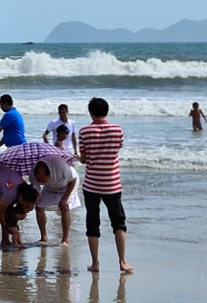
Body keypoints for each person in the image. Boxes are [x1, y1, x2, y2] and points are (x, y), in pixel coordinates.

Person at [78, 97, 133, 272]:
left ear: (91, 112)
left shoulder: (84, 132)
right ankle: (122, 262)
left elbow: (85, 160)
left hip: (92, 184)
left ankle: (95, 263)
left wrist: (84, 157)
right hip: (112, 184)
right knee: (119, 223)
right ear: (106, 111)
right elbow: (116, 149)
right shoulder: (117, 130)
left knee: (92, 224)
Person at [0, 163, 39, 248]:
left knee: (7, 210)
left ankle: (5, 240)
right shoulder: (11, 193)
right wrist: (6, 226)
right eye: (24, 203)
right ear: (20, 197)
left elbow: (25, 206)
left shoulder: (25, 188)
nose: (24, 205)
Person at [31, 155, 80, 246]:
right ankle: (43, 237)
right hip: (49, 187)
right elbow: (36, 189)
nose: (41, 183)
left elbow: (72, 180)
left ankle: (65, 240)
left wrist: (65, 198)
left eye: (43, 181)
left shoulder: (59, 164)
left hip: (68, 184)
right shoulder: (33, 173)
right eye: (40, 181)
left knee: (64, 207)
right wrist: (36, 197)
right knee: (39, 206)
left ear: (50, 173)